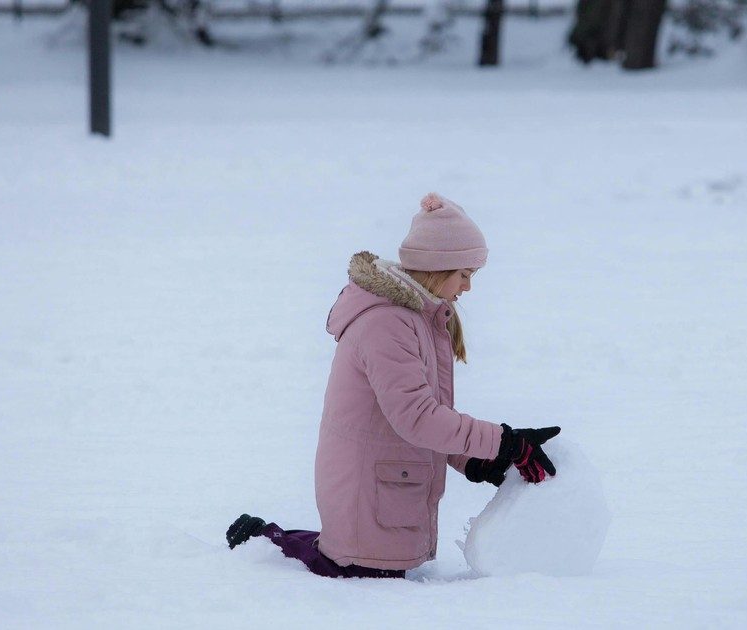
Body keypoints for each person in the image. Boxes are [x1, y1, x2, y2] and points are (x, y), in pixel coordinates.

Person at [226, 192, 561, 579]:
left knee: (354, 565)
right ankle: (262, 542)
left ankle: (269, 540)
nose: (468, 287)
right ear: (437, 267)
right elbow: (417, 418)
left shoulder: (416, 320)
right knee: (354, 570)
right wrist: (505, 443)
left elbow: (422, 416)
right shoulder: (388, 324)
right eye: (464, 274)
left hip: (386, 487)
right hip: (369, 488)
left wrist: (474, 459)